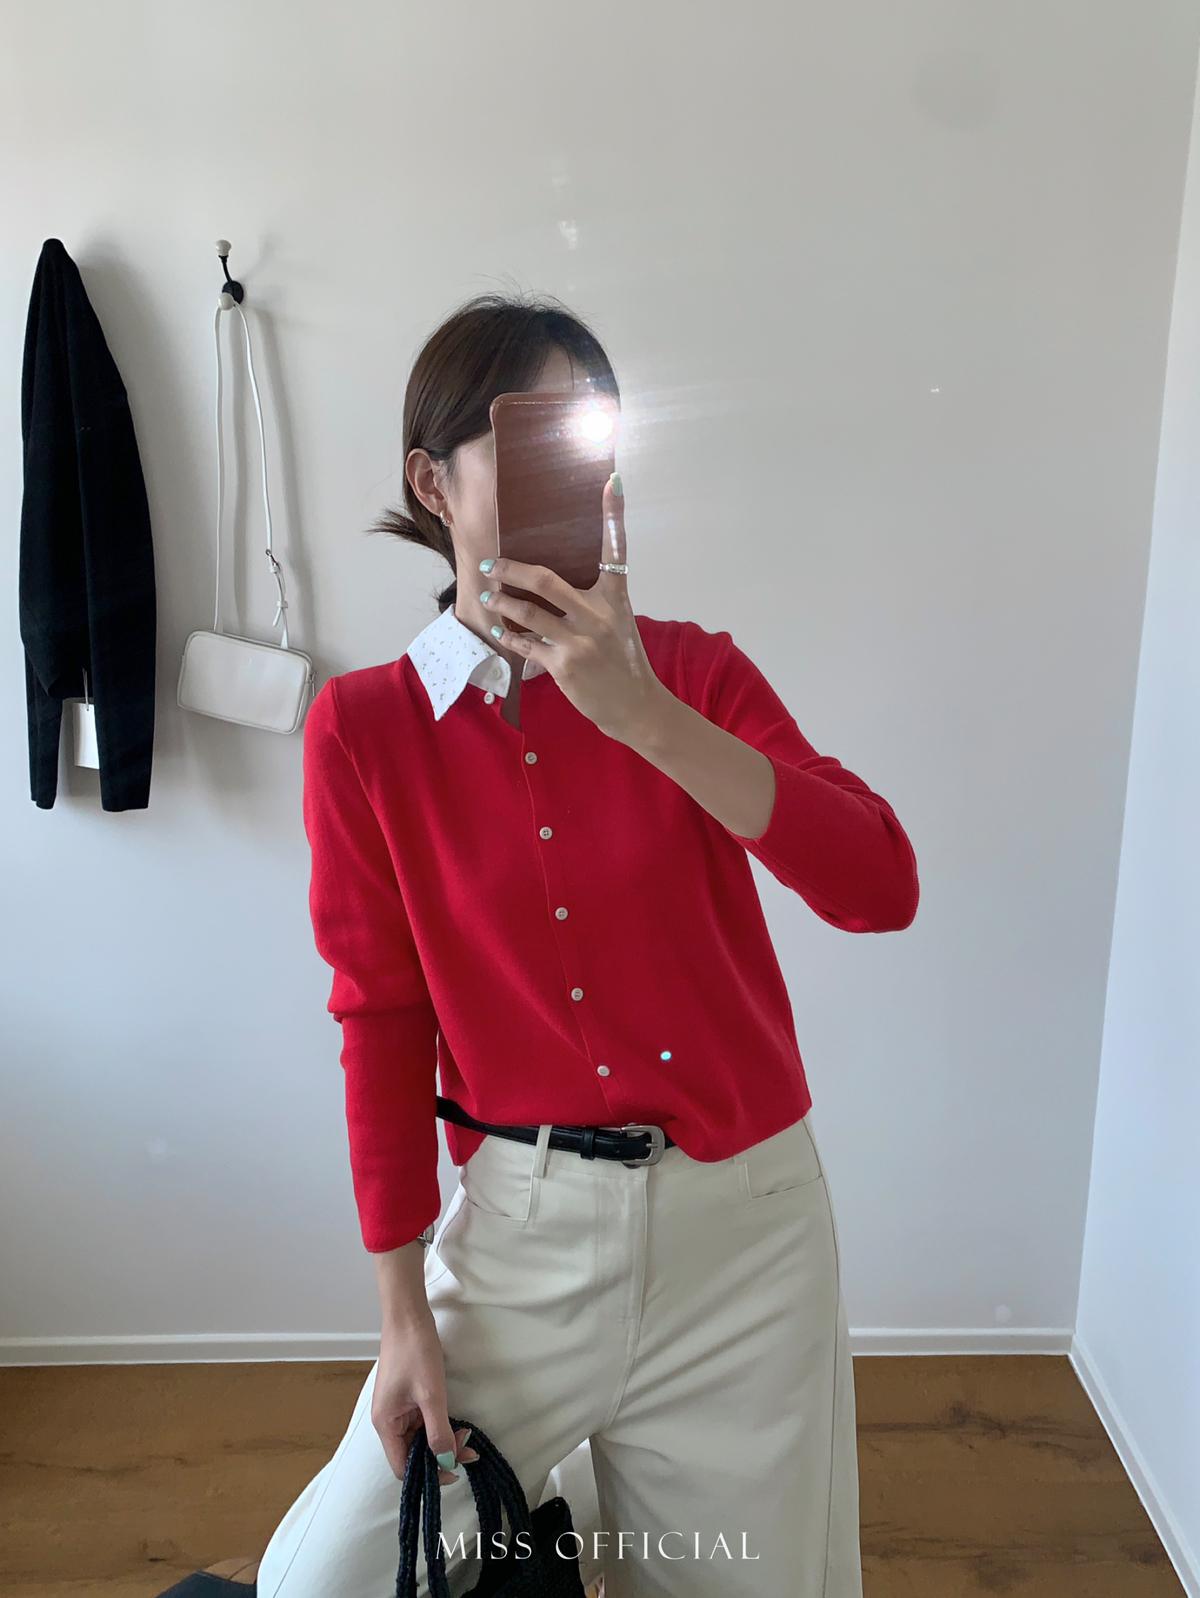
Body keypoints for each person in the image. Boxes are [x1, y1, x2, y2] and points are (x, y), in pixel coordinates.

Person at [254, 291, 920, 1597]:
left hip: (745, 1242)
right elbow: (379, 1017)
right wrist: (401, 1314)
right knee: (328, 1581)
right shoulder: (366, 732)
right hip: (524, 1239)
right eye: (528, 440)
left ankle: (604, 1492)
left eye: (590, 441)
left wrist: (641, 714)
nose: (575, 474)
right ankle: (575, 1490)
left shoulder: (691, 674)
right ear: (432, 483)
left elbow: (878, 884)